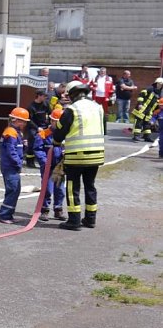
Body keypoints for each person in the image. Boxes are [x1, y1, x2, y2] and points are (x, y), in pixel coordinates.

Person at [52, 80, 105, 231]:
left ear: (72, 94)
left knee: (72, 187)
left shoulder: (72, 109)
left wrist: (56, 142)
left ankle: (74, 221)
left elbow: (60, 132)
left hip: (76, 156)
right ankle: (90, 219)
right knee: (90, 186)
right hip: (96, 155)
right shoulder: (98, 107)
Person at [32, 107, 66, 222]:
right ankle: (44, 210)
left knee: (60, 189)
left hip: (60, 167)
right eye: (55, 121)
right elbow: (37, 149)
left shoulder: (65, 136)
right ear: (51, 121)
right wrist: (44, 161)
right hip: (47, 167)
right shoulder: (43, 134)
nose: (56, 124)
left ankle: (58, 209)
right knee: (47, 189)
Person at [0, 107, 29, 224]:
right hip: (10, 166)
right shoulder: (10, 132)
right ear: (16, 120)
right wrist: (18, 163)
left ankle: (8, 214)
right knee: (13, 189)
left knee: (15, 189)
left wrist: (24, 146)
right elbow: (11, 151)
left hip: (12, 166)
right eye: (23, 121)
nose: (25, 124)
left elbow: (17, 149)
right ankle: (4, 215)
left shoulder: (16, 133)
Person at [130, 78, 163, 142]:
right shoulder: (150, 89)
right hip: (141, 109)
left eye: (161, 84)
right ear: (156, 83)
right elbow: (141, 95)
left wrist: (156, 112)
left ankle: (147, 136)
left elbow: (156, 104)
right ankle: (136, 136)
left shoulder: (159, 93)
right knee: (138, 123)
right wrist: (140, 104)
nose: (160, 85)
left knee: (147, 124)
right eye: (159, 84)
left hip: (149, 111)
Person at [25, 90, 50, 168]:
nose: (45, 98)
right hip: (34, 127)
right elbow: (29, 120)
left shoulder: (46, 104)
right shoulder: (31, 107)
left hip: (44, 126)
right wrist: (37, 128)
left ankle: (45, 161)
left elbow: (50, 114)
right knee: (32, 140)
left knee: (47, 142)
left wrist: (49, 124)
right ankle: (30, 161)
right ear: (39, 96)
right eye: (44, 96)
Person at [91, 66, 114, 131]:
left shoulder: (109, 78)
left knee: (105, 112)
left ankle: (104, 128)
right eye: (101, 71)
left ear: (105, 72)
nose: (102, 73)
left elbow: (112, 88)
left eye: (104, 72)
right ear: (99, 72)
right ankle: (95, 126)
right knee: (96, 111)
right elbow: (90, 85)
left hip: (105, 97)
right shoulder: (95, 78)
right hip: (96, 97)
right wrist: (93, 88)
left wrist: (110, 96)